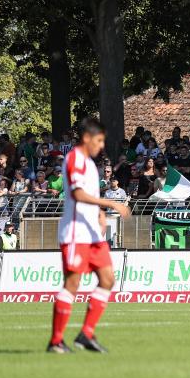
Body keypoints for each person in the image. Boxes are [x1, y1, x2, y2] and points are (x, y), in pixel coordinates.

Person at [48, 118, 130, 354]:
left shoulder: (91, 165)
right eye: (99, 140)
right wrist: (111, 204)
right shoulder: (74, 158)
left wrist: (101, 213)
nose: (101, 145)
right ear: (87, 138)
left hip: (93, 234)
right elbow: (78, 193)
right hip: (76, 232)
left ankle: (86, 333)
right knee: (72, 284)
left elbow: (91, 196)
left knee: (107, 279)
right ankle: (56, 341)